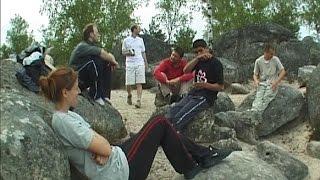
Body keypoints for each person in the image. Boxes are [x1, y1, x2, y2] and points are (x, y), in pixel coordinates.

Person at [39, 67, 233, 180]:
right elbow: (103, 147)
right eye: (75, 89)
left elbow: (99, 146)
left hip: (115, 159)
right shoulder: (63, 121)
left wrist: (103, 150)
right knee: (160, 122)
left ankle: (202, 156)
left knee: (160, 125)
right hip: (121, 171)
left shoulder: (66, 116)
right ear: (65, 92)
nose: (79, 92)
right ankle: (194, 163)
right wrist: (104, 150)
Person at [167, 39, 224, 132]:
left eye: (201, 51)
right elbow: (186, 71)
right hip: (193, 93)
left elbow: (220, 86)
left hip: (205, 97)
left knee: (180, 117)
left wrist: (204, 85)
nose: (199, 53)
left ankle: (171, 136)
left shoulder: (216, 63)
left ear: (207, 49)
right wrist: (197, 58)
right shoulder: (198, 61)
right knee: (172, 111)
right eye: (196, 52)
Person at [69, 23, 118, 106]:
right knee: (95, 61)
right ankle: (96, 95)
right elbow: (102, 53)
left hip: (84, 78)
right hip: (75, 78)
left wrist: (111, 61)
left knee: (106, 61)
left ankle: (104, 95)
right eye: (97, 32)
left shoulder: (92, 46)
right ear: (91, 34)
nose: (99, 35)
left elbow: (107, 54)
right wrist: (115, 62)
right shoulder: (82, 46)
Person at [252, 44, 286, 111]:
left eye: (272, 54)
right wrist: (256, 81)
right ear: (265, 52)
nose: (271, 55)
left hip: (272, 83)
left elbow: (283, 71)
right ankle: (254, 111)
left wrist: (276, 82)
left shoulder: (275, 59)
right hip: (262, 83)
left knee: (267, 97)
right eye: (270, 54)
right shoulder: (258, 61)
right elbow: (255, 74)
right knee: (258, 98)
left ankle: (259, 112)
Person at [122, 25, 148, 108]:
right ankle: (129, 94)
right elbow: (123, 52)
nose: (139, 30)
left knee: (139, 82)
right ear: (134, 29)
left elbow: (143, 52)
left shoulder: (140, 40)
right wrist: (129, 53)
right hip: (130, 63)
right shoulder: (126, 40)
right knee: (129, 83)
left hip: (139, 62)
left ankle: (138, 100)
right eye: (138, 28)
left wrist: (145, 63)